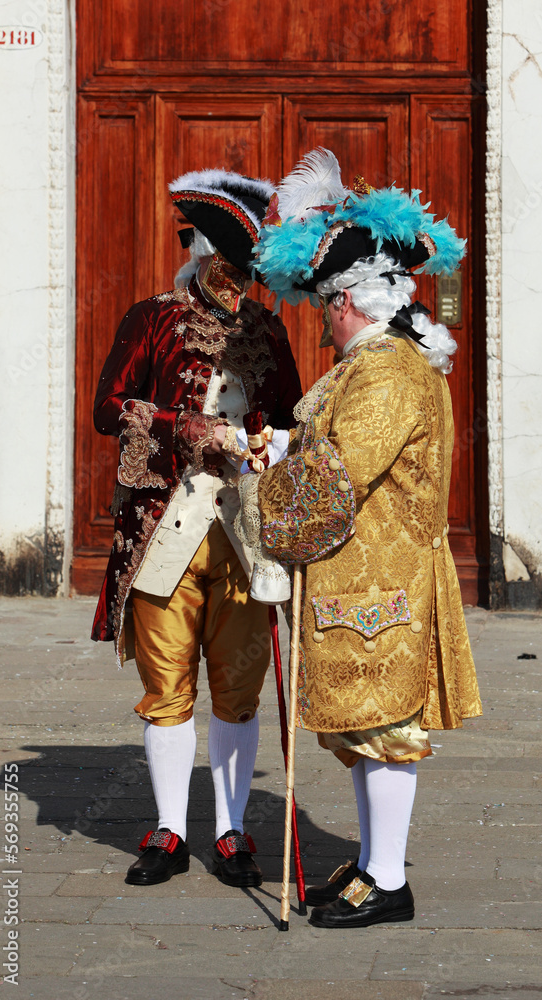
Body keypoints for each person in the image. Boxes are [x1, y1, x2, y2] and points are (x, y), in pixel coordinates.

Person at [238, 148, 482, 927]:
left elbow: (335, 478)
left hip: (381, 585)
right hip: (365, 579)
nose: (320, 318)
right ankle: (372, 865)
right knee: (363, 731)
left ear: (348, 302)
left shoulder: (381, 373)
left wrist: (259, 483)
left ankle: (387, 880)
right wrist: (273, 448)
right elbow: (327, 454)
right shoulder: (376, 367)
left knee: (384, 730)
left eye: (323, 307)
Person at [91, 168, 302, 888]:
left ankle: (234, 831)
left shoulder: (268, 329)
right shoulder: (150, 317)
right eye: (229, 267)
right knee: (166, 685)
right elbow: (107, 406)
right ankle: (172, 828)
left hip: (243, 534)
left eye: (246, 272)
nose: (239, 283)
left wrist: (268, 438)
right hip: (163, 529)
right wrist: (179, 424)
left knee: (239, 687)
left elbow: (290, 416)